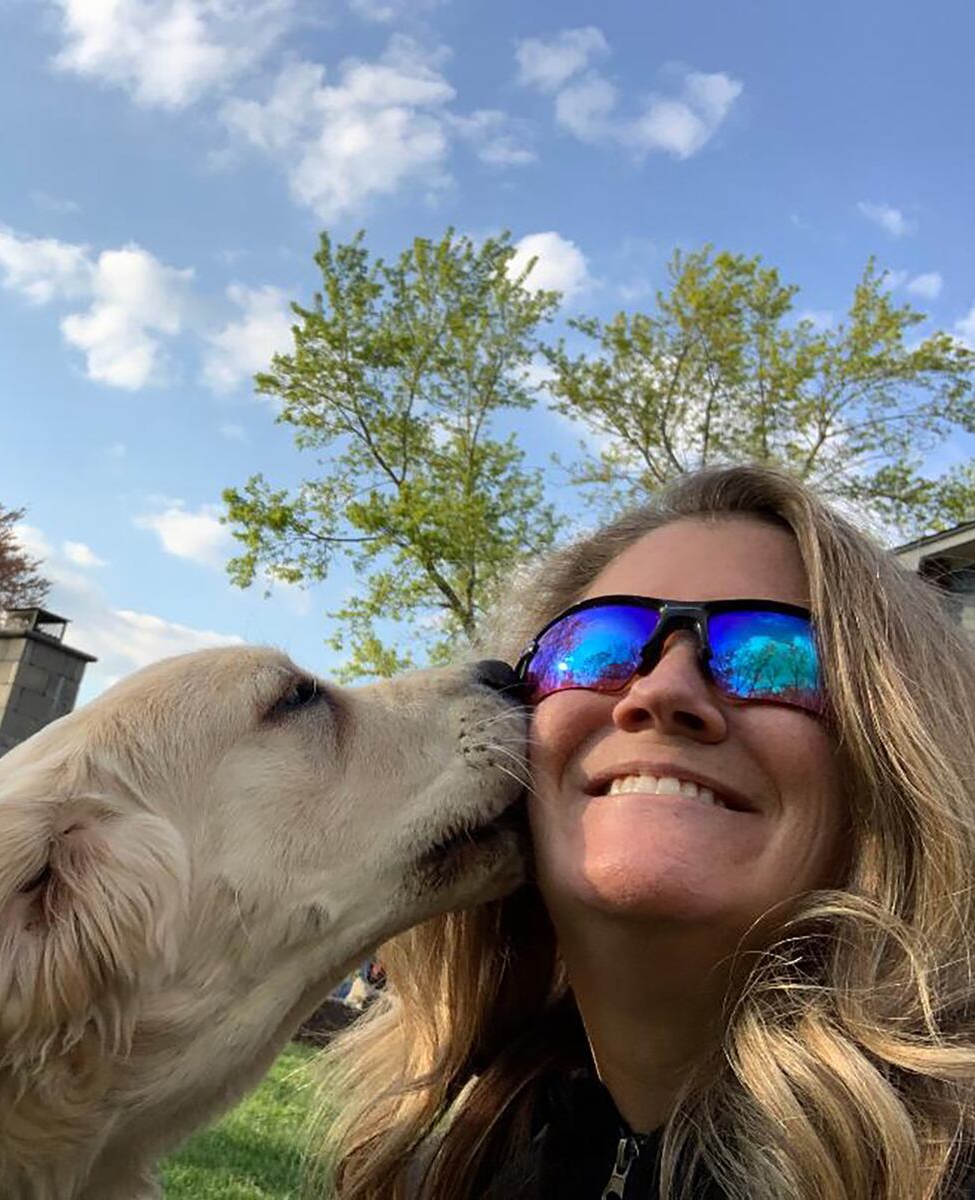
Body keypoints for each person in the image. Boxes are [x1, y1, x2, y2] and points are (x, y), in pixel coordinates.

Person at [324, 466, 975, 1199]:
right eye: (597, 644)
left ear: (893, 758)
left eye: (776, 655)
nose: (661, 692)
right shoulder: (438, 1165)